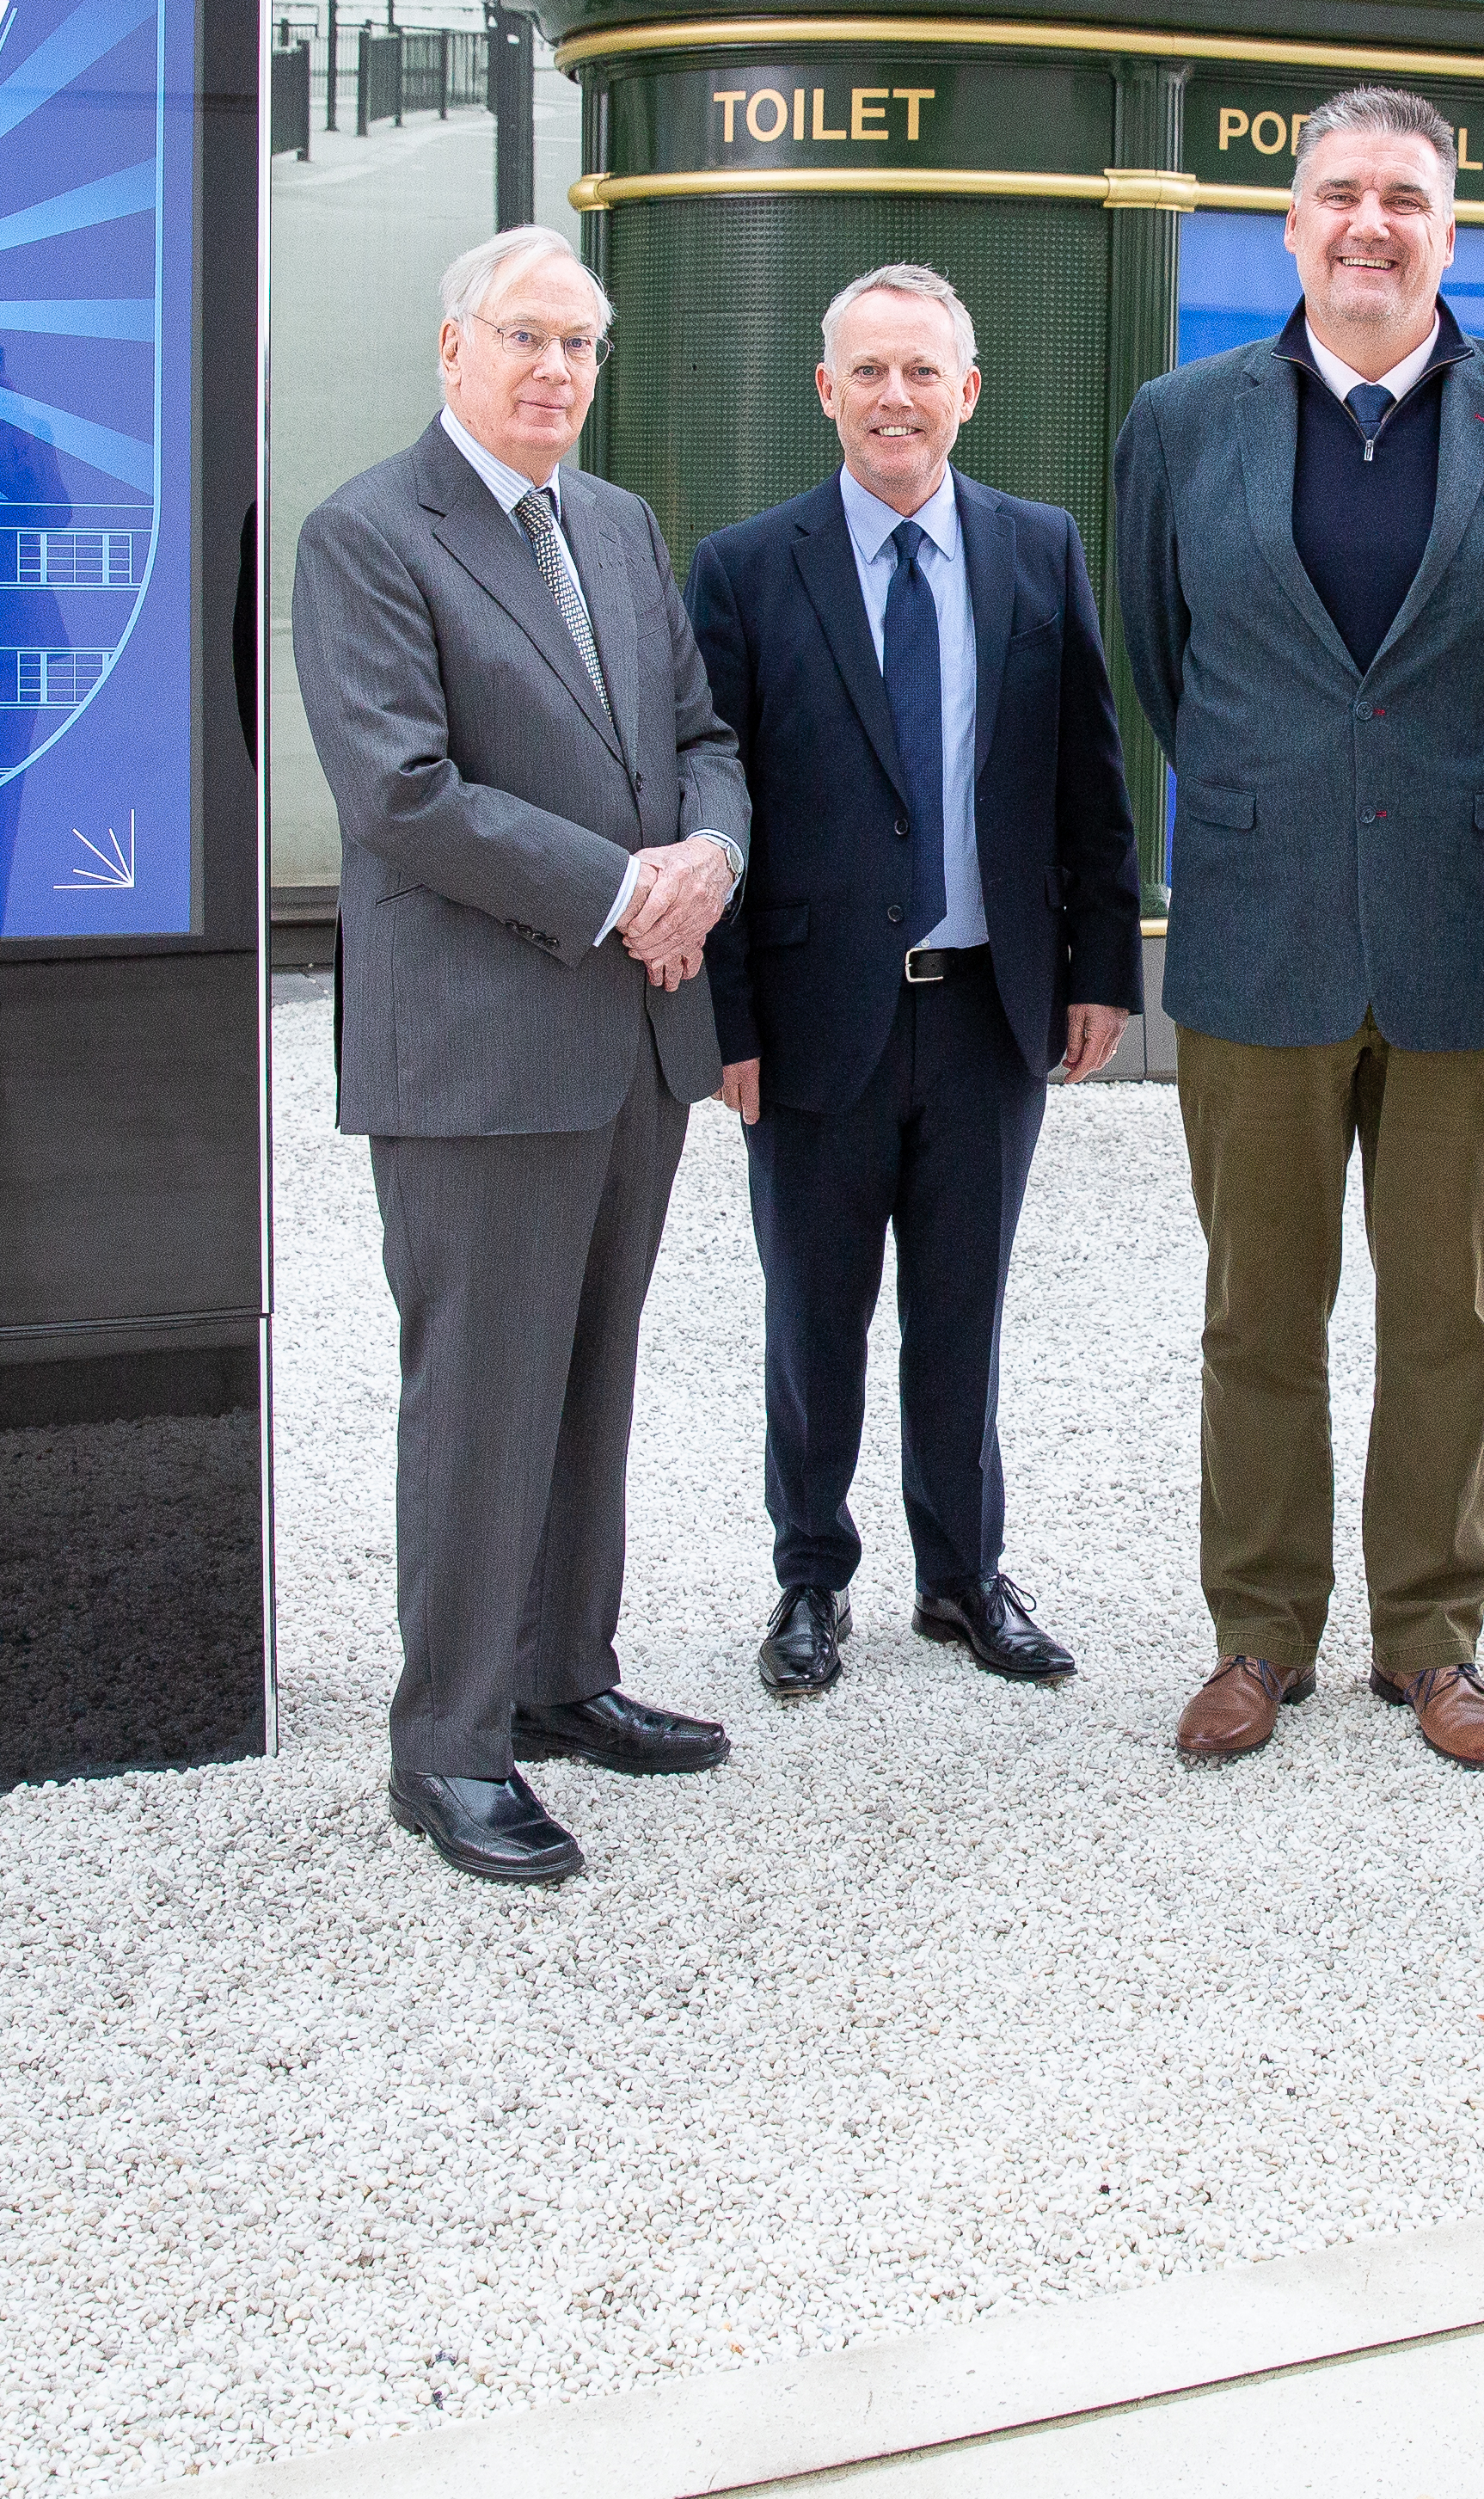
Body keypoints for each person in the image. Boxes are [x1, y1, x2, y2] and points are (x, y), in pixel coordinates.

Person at [1109, 83, 1484, 1773]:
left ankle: (1434, 1640)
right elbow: (1164, 663)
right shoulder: (1185, 423)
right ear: (1294, 224)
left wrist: (1463, 816)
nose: (1369, 225)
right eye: (1339, 192)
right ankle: (1260, 1635)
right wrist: (1289, 809)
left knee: (1448, 1314)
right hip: (1260, 939)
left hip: (1467, 932)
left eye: (1405, 196)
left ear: (1448, 231)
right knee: (1259, 1310)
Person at [294, 227, 748, 1887]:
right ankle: (449, 1749)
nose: (556, 370)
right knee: (481, 1400)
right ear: (453, 350)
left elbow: (699, 737)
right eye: (526, 338)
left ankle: (563, 1679)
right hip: (481, 1053)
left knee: (589, 1381)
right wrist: (626, 888)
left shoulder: (616, 527)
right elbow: (402, 795)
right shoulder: (367, 535)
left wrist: (711, 859)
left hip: (633, 1036)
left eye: (580, 346)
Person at [687, 263, 1141, 1704]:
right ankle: (810, 1578)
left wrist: (1101, 968)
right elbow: (722, 800)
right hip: (817, 1020)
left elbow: (1089, 775)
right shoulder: (749, 569)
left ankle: (963, 1578)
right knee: (814, 1317)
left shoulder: (1035, 549)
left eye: (922, 372)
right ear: (827, 390)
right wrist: (729, 1019)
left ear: (968, 392)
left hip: (988, 1010)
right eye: (869, 372)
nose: (896, 397)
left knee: (964, 1309)